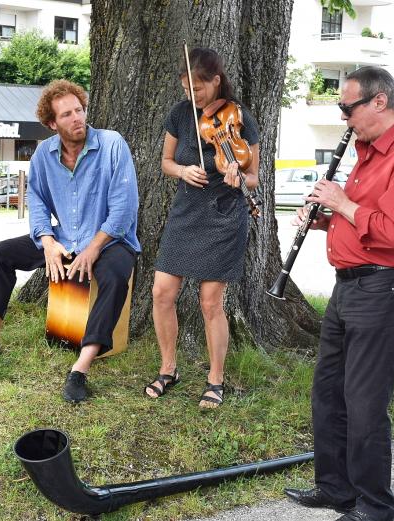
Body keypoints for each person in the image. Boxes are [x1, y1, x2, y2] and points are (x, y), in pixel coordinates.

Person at [283, 66, 394, 521]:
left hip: (384, 285)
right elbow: (361, 216)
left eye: (346, 108)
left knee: (365, 400)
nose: (343, 118)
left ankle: (375, 505)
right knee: (328, 391)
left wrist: (340, 203)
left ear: (378, 101)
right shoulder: (367, 149)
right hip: (349, 285)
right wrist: (325, 219)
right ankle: (336, 489)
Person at [0, 79, 140, 403]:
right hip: (63, 237)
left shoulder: (112, 144)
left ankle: (80, 369)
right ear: (51, 123)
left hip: (109, 239)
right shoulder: (44, 155)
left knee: (115, 277)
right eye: (66, 115)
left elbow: (125, 208)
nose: (77, 118)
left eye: (79, 110)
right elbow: (38, 202)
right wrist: (46, 241)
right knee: (0, 254)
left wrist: (92, 249)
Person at [144, 48, 259, 408]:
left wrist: (235, 174)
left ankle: (215, 379)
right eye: (186, 89)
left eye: (198, 89)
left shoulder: (240, 118)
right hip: (186, 214)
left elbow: (254, 178)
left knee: (210, 303)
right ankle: (168, 369)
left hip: (224, 216)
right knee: (162, 293)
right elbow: (165, 161)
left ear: (216, 80)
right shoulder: (180, 115)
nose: (192, 96)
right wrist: (181, 170)